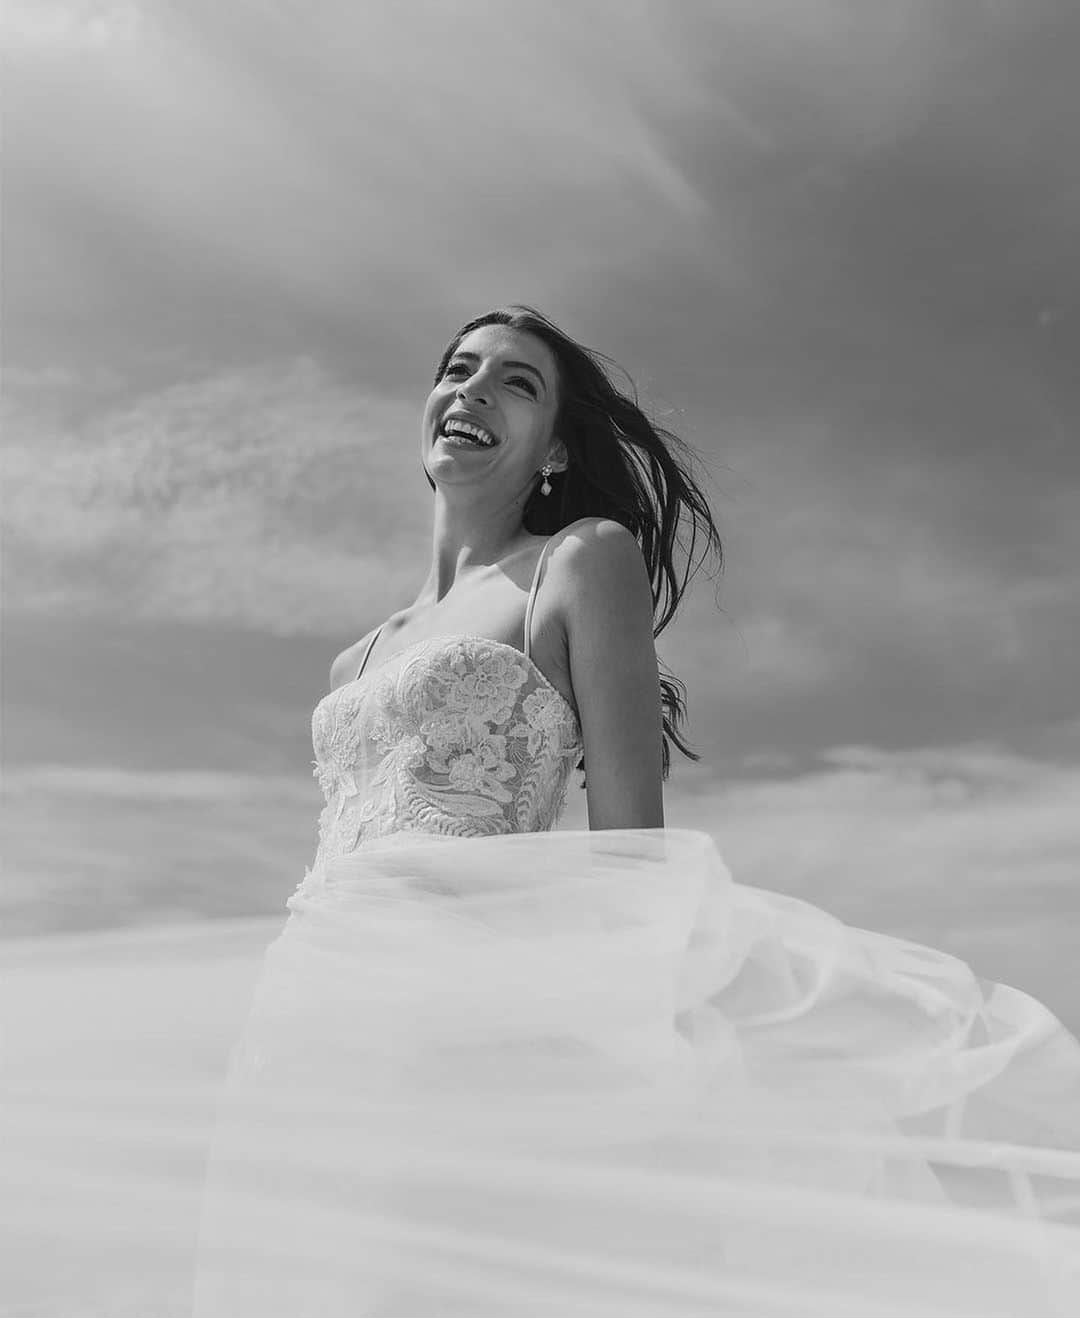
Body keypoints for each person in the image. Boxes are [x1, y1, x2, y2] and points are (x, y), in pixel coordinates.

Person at [192, 306, 1080, 1317]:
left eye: (517, 382)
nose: (473, 390)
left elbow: (631, 856)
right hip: (305, 1023)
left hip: (469, 1009)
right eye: (458, 369)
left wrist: (626, 1051)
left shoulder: (578, 560)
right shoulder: (356, 656)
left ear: (557, 450)